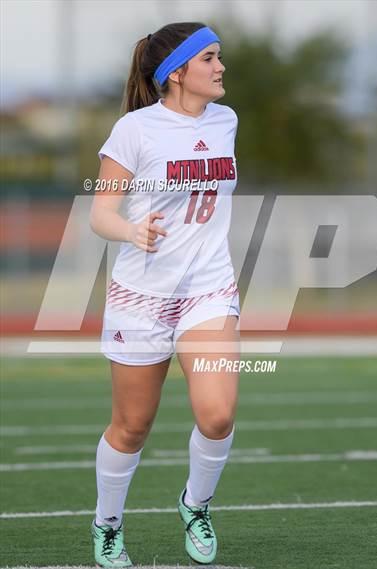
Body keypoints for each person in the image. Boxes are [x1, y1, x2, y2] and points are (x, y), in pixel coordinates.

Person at [89, 22, 240, 568]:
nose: (221, 67)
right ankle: (107, 524)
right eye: (210, 58)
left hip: (208, 288)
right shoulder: (134, 129)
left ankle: (195, 505)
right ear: (176, 72)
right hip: (141, 294)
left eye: (219, 57)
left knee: (217, 415)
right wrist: (131, 229)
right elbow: (101, 212)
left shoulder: (226, 120)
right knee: (132, 424)